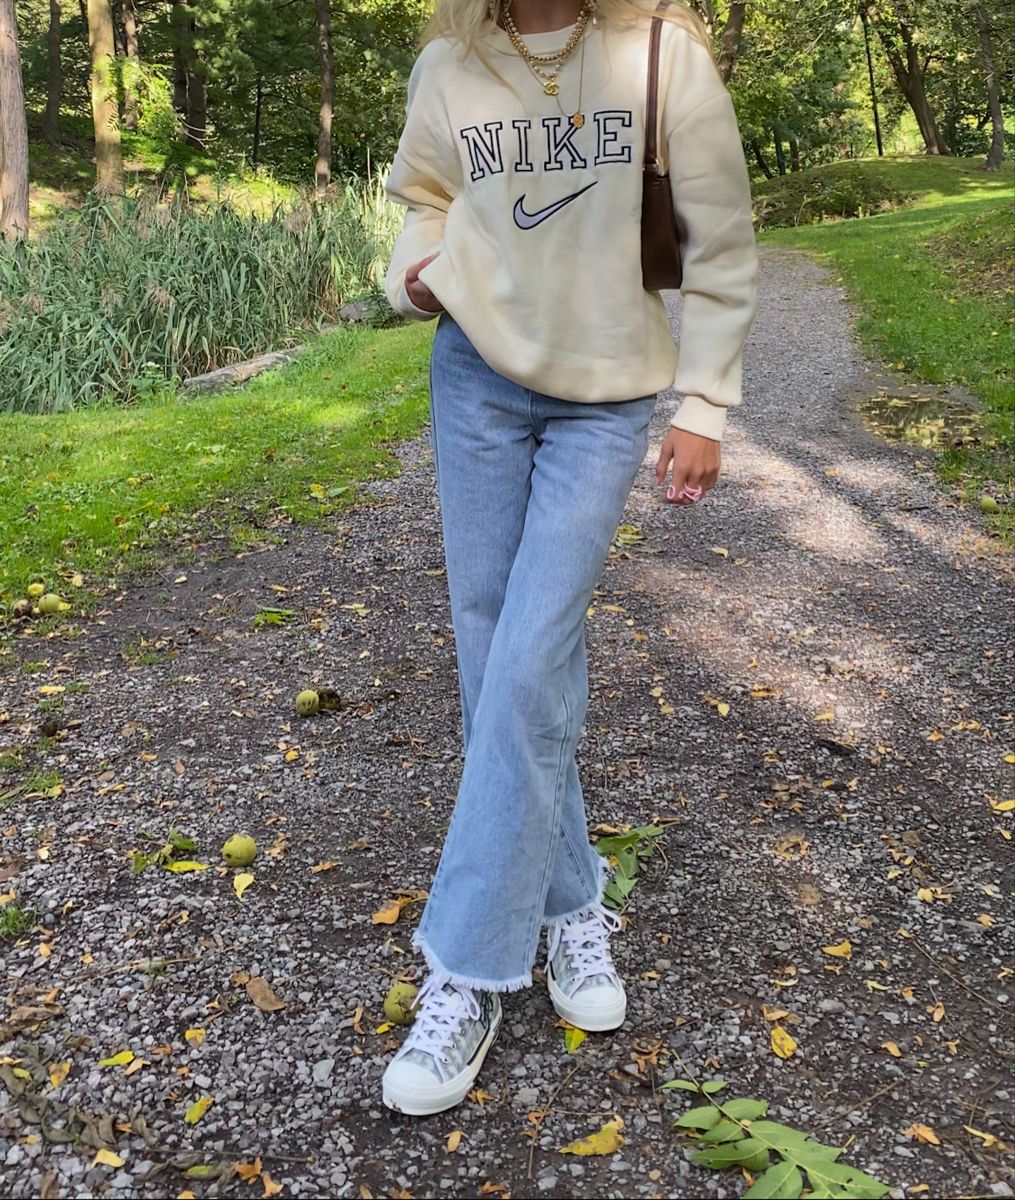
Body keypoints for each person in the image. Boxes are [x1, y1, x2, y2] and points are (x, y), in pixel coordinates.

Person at [380, 0, 758, 1116]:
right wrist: (415, 272)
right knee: (494, 649)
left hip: (609, 394)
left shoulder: (659, 52)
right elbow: (422, 198)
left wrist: (708, 400)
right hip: (476, 380)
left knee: (534, 648)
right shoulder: (449, 61)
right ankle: (573, 900)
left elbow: (721, 234)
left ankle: (463, 969)